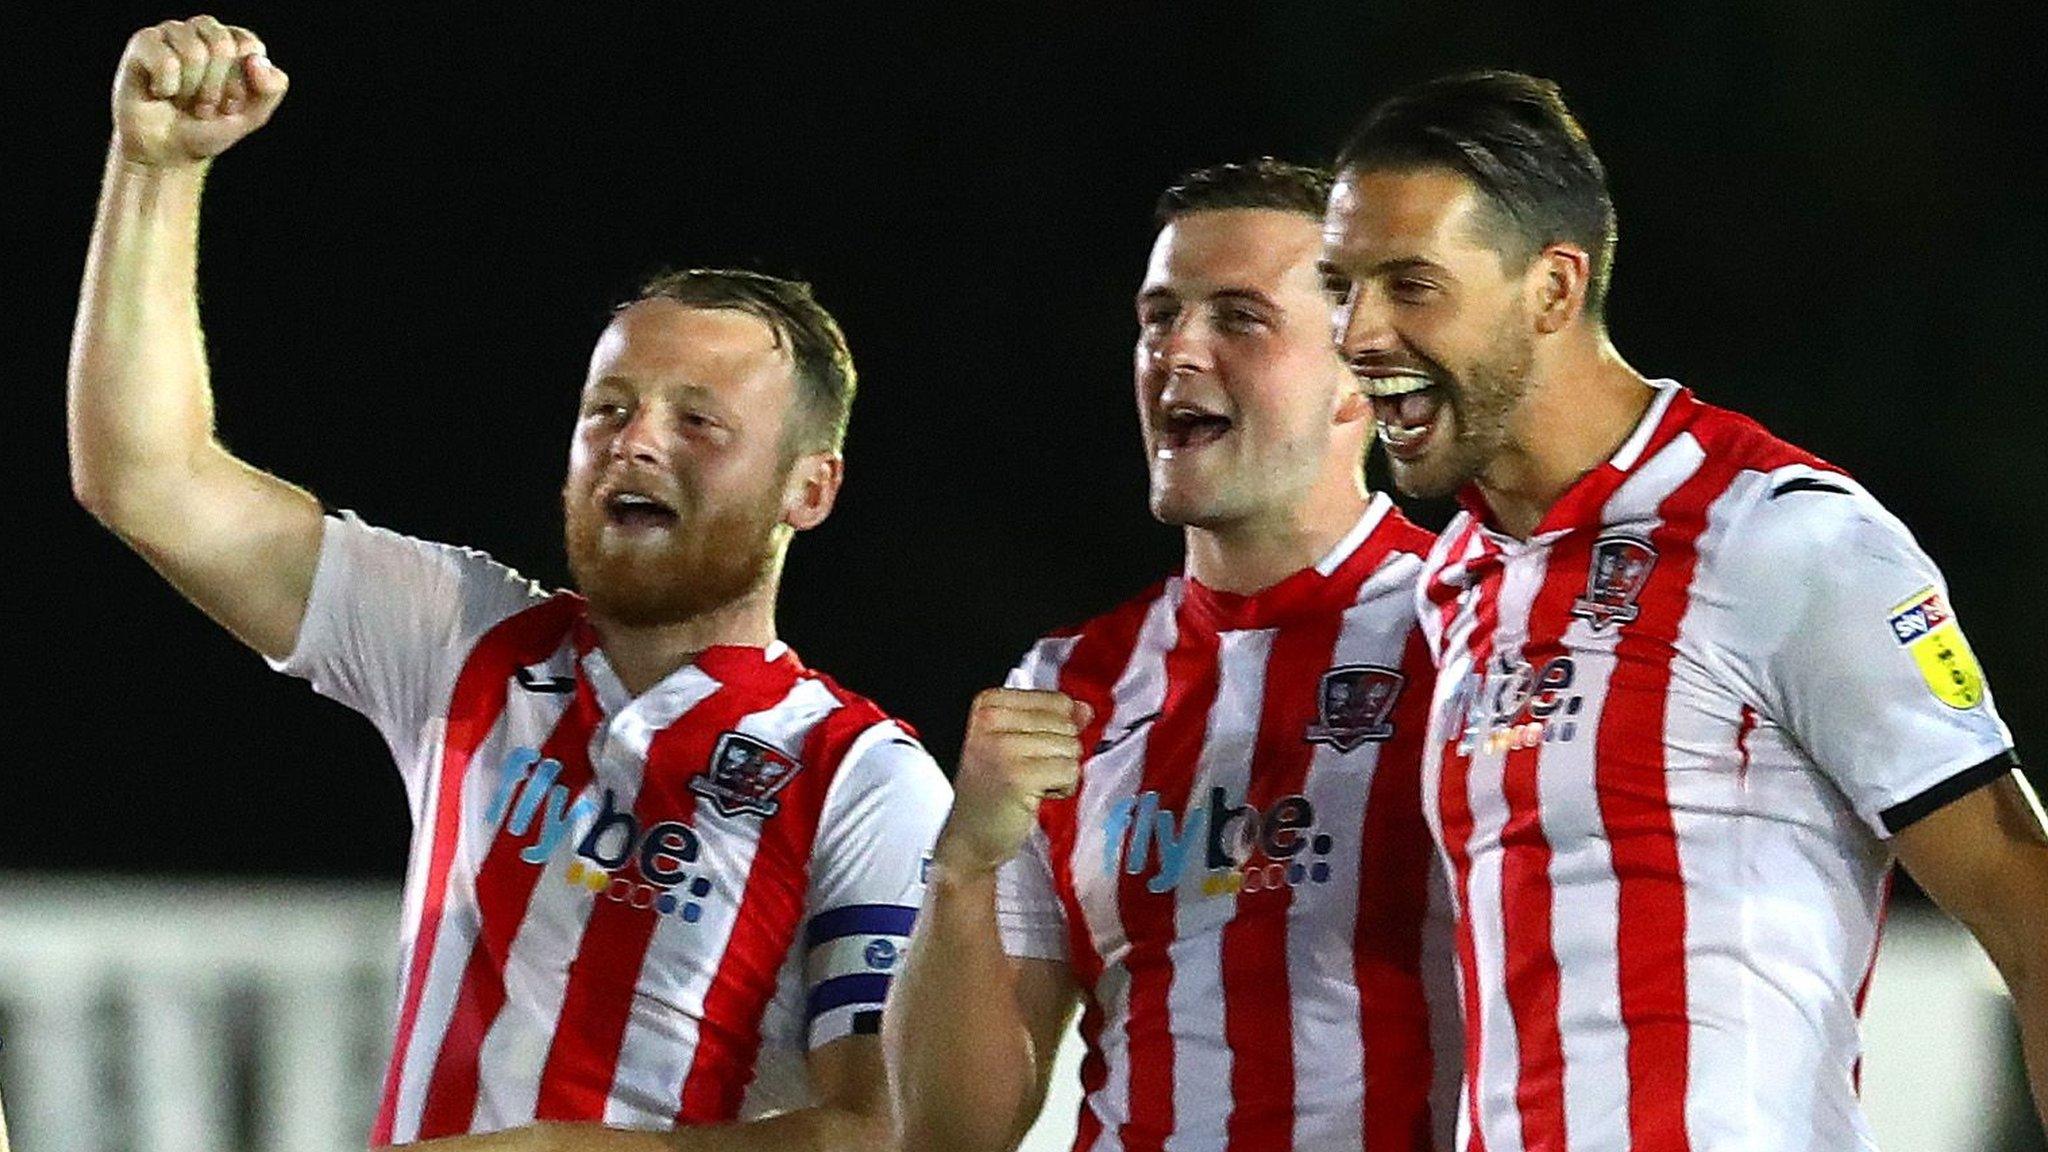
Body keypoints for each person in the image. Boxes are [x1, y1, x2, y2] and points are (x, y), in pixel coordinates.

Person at [69, 17, 948, 1149]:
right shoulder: (464, 639)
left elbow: (885, 1132)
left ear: (808, 490)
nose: (635, 442)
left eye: (698, 422)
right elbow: (149, 481)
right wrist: (154, 170)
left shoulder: (862, 781)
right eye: (608, 409)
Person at [1318, 70, 2046, 1150]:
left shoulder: (1778, 538)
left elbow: (2024, 906)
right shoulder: (1457, 578)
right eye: (1338, 287)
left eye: (1410, 286)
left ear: (1552, 289)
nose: (1357, 332)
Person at [886, 160, 1459, 1152]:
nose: (1177, 351)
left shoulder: (1465, 629)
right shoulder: (1068, 686)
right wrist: (964, 867)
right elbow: (949, 1134)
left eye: (1239, 318)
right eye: (1159, 317)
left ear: (1356, 377)